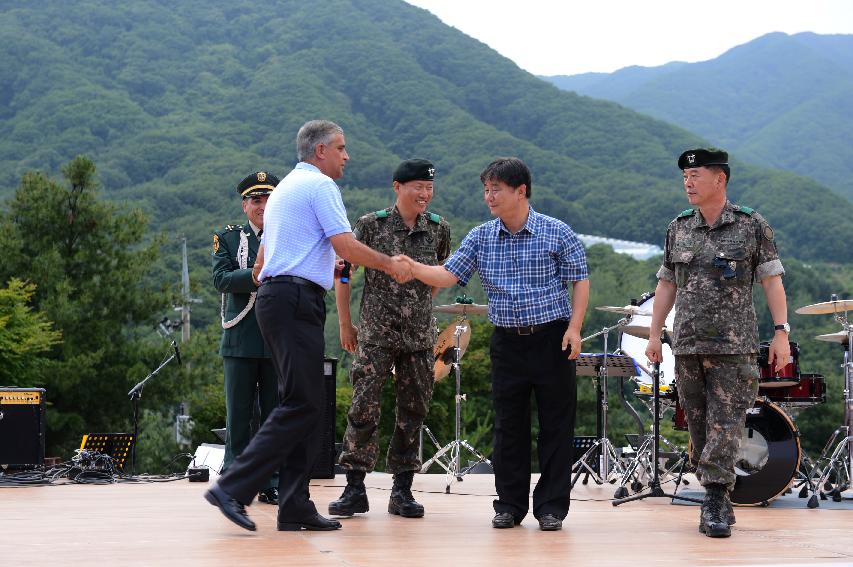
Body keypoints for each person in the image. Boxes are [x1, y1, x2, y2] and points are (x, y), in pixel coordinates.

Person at [204, 120, 412, 532]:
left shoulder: (284, 193)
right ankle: (232, 486)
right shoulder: (320, 187)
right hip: (295, 301)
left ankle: (295, 503)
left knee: (305, 404)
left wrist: (309, 265)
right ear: (320, 151)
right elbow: (346, 245)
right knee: (300, 404)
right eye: (341, 148)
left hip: (281, 299)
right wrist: (391, 264)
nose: (346, 156)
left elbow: (263, 263)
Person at [401, 157, 589, 532]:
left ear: (521, 191)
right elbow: (448, 273)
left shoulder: (556, 232)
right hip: (507, 342)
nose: (489, 196)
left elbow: (579, 280)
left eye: (496, 189)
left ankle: (551, 508)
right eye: (486, 189)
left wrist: (575, 327)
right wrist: (412, 267)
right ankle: (509, 505)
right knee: (508, 427)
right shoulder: (481, 236)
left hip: (552, 337)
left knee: (555, 425)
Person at [645, 148, 790, 539]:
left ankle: (715, 497)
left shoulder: (751, 225)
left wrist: (781, 332)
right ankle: (716, 489)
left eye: (695, 175)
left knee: (726, 424)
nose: (687, 183)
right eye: (684, 177)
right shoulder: (678, 228)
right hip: (688, 344)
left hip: (734, 346)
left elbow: (772, 280)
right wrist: (656, 333)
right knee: (697, 423)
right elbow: (666, 284)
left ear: (719, 179)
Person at [329, 158, 451, 519]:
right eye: (417, 187)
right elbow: (344, 275)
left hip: (417, 337)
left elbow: (438, 276)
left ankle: (403, 490)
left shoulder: (438, 229)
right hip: (376, 334)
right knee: (364, 408)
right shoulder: (371, 225)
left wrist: (419, 312)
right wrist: (345, 325)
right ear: (397, 187)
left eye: (429, 188)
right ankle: (354, 488)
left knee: (413, 411)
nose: (424, 194)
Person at [212, 171, 281, 506]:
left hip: (275, 339)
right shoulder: (228, 238)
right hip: (240, 337)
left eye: (268, 199)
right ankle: (235, 480)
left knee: (272, 416)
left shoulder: (287, 234)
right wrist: (253, 275)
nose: (262, 206)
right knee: (238, 415)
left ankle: (272, 480)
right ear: (244, 205)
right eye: (256, 200)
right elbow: (221, 278)